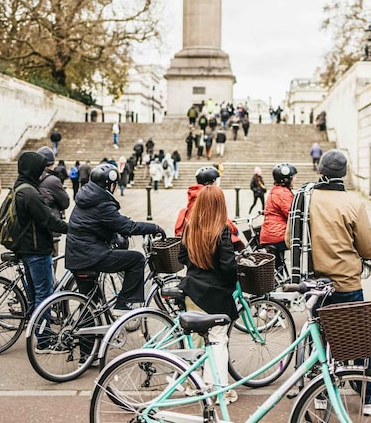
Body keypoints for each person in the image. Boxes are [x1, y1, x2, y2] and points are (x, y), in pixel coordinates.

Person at [286, 149, 371, 416]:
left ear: (320, 171)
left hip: (313, 286)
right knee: (357, 341)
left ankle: (319, 395)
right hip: (345, 283)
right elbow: (367, 249)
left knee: (317, 341)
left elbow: (290, 240)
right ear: (343, 174)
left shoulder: (304, 200)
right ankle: (369, 399)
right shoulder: (353, 204)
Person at [66, 163, 166, 312]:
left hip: (76, 256)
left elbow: (105, 221)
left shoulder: (86, 196)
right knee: (137, 259)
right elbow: (128, 227)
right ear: (109, 184)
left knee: (90, 303)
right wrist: (155, 228)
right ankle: (123, 304)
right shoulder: (102, 202)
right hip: (90, 256)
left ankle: (86, 334)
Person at [178, 184, 239, 404]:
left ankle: (192, 384)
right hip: (215, 295)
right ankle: (218, 389)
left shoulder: (190, 226)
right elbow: (228, 266)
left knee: (194, 340)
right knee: (217, 341)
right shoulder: (221, 229)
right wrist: (232, 283)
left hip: (192, 291)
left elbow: (181, 257)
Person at [10, 151, 69, 352]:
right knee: (45, 295)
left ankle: (38, 329)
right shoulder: (31, 194)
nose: (42, 171)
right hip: (37, 249)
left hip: (25, 247)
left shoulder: (20, 187)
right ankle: (44, 341)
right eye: (40, 168)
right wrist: (73, 228)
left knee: (36, 294)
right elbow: (49, 220)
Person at [174, 166, 242, 250]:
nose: (217, 185)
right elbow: (217, 217)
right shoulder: (207, 197)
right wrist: (233, 229)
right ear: (209, 183)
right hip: (206, 243)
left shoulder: (194, 194)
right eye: (215, 183)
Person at [259, 163, 297, 271]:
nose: (296, 179)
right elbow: (293, 214)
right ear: (286, 180)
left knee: (278, 270)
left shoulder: (275, 190)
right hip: (278, 236)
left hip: (269, 235)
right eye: (293, 177)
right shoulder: (283, 193)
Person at [37, 146, 71, 261]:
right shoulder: (53, 180)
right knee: (51, 261)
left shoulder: (31, 177)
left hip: (32, 227)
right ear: (52, 162)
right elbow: (65, 202)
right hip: (50, 226)